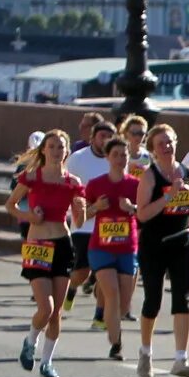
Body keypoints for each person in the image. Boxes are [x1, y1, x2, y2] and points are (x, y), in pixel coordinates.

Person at [6, 129, 85, 377]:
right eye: (51, 146)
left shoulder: (73, 182)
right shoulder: (31, 177)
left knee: (57, 311)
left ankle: (47, 363)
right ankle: (30, 341)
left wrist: (81, 208)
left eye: (60, 147)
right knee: (46, 307)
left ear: (67, 152)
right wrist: (30, 217)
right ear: (43, 150)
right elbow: (10, 205)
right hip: (37, 243)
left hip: (62, 243)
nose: (55, 151)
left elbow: (80, 220)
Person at [133, 124, 189, 377]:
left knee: (183, 298)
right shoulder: (150, 176)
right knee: (153, 300)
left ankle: (181, 357)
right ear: (153, 149)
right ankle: (146, 351)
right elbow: (142, 213)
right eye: (161, 143)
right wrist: (168, 197)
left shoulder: (188, 172)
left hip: (182, 241)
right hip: (154, 243)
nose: (167, 147)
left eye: (169, 142)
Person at [82, 136, 142, 362]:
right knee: (112, 294)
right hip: (101, 247)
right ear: (107, 157)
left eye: (124, 155)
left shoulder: (136, 185)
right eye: (115, 155)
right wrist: (96, 207)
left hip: (127, 247)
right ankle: (116, 344)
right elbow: (82, 216)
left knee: (124, 303)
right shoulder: (96, 184)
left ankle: (109, 318)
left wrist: (133, 208)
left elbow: (146, 215)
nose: (120, 159)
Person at [64, 114, 114, 329]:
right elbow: (69, 190)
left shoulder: (117, 159)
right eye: (103, 136)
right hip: (83, 225)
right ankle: (72, 287)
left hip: (110, 226)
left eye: (110, 137)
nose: (106, 141)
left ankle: (99, 316)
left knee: (105, 273)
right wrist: (91, 208)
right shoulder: (77, 158)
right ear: (93, 137)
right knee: (81, 272)